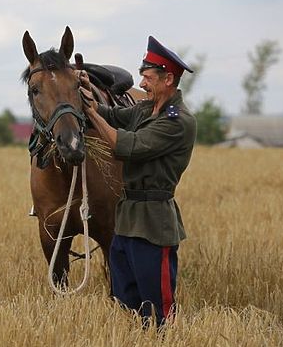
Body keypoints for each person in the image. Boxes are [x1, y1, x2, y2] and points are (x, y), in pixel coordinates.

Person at [78, 36, 197, 327]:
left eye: (147, 78)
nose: (141, 85)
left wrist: (92, 114)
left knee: (157, 306)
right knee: (125, 298)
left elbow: (127, 145)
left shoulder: (177, 121)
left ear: (168, 79)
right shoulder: (146, 109)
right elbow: (114, 115)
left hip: (154, 223)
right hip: (127, 219)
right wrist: (87, 97)